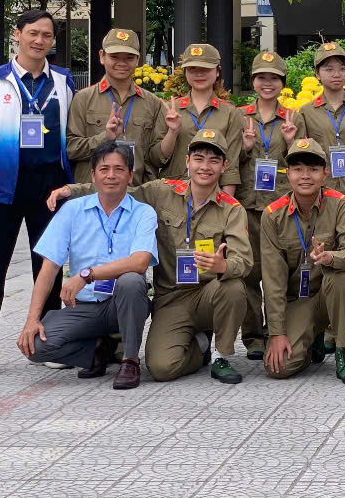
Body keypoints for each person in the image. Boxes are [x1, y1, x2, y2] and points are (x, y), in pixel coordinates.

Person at [49, 129, 253, 385]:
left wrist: (224, 265)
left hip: (208, 293)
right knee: (161, 369)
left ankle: (221, 357)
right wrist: (71, 190)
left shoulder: (232, 209)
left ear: (224, 166)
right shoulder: (162, 191)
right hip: (171, 298)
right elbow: (117, 188)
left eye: (214, 160)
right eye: (199, 159)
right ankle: (200, 346)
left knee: (233, 287)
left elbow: (244, 261)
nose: (205, 166)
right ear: (187, 161)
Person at [0, 9, 76, 377]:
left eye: (46, 35)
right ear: (17, 34)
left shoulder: (63, 80)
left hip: (50, 185)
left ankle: (49, 340)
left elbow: (75, 129)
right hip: (2, 186)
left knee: (48, 264)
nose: (39, 40)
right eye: (33, 33)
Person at [16, 141, 157, 389]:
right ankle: (96, 351)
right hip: (84, 307)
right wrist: (32, 319)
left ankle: (130, 360)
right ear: (93, 175)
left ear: (130, 175)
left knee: (131, 280)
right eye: (104, 169)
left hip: (123, 304)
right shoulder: (72, 210)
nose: (111, 175)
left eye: (119, 169)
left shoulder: (143, 212)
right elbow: (49, 267)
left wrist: (87, 275)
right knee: (35, 347)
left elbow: (140, 262)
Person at [261, 138, 345, 384]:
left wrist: (331, 257)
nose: (305, 176)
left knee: (341, 275)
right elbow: (272, 280)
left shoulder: (340, 204)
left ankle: (344, 352)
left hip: (328, 295)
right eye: (298, 169)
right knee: (278, 368)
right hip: (296, 301)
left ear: (325, 173)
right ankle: (312, 340)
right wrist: (277, 332)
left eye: (313, 169)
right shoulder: (273, 216)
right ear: (287, 173)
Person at [293, 41, 345, 355]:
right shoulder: (306, 112)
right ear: (317, 73)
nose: (336, 73)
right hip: (322, 198)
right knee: (323, 259)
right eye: (328, 68)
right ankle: (326, 328)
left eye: (341, 67)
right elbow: (302, 157)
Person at [237, 50, 298, 362]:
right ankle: (253, 337)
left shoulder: (293, 117)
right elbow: (227, 162)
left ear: (282, 82)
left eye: (274, 78)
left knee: (280, 273)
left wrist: (290, 143)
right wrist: (246, 149)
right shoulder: (239, 116)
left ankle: (278, 329)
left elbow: (303, 161)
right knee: (249, 273)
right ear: (253, 81)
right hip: (247, 206)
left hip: (280, 207)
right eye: (262, 77)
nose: (267, 83)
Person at [67, 28, 176, 185]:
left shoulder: (152, 102)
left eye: (129, 57)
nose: (122, 63)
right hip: (92, 192)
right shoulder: (83, 99)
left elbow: (156, 158)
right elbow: (71, 149)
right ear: (102, 56)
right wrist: (105, 137)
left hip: (135, 192)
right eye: (114, 56)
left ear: (138, 60)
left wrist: (173, 132)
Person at [161, 43, 244, 196]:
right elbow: (158, 158)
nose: (199, 74)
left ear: (217, 72)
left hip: (212, 193)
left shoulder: (231, 113)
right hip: (173, 193)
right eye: (192, 69)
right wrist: (172, 132)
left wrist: (226, 204)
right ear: (185, 73)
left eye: (205, 69)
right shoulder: (170, 109)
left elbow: (231, 165)